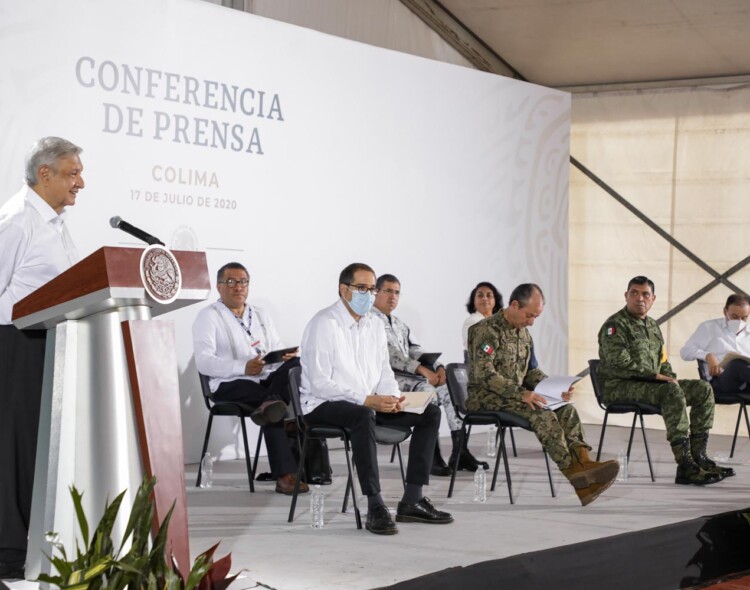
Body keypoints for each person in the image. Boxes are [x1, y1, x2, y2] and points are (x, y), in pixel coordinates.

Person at [299, 263, 453, 535]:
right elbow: (318, 383)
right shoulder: (323, 323)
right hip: (323, 405)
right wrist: (367, 400)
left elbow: (384, 371)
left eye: (372, 289)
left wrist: (392, 397)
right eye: (362, 288)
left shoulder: (374, 325)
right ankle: (375, 505)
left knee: (430, 412)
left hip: (368, 402)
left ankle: (412, 500)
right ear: (343, 290)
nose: (368, 295)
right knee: (362, 415)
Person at [0, 137, 85, 579]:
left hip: (48, 343)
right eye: (72, 173)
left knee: (37, 451)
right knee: (13, 451)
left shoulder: (54, 222)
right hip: (15, 346)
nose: (81, 183)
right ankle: (7, 553)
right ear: (44, 174)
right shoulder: (17, 221)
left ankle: (36, 546)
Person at [467, 283, 619, 506]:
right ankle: (576, 476)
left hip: (513, 395)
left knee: (566, 410)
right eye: (529, 315)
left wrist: (554, 388)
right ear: (515, 305)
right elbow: (484, 374)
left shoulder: (524, 335)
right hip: (485, 397)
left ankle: (585, 465)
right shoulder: (486, 330)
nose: (531, 322)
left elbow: (531, 371)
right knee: (542, 414)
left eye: (536, 317)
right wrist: (521, 394)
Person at [597, 276, 733, 486]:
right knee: (671, 392)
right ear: (626, 296)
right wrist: (658, 377)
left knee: (703, 389)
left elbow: (663, 361)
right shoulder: (615, 325)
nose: (639, 298)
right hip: (619, 386)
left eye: (645, 294)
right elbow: (619, 363)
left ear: (653, 299)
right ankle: (685, 465)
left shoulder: (652, 326)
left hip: (651, 385)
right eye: (634, 293)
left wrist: (671, 378)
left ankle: (699, 458)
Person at [192, 262, 309, 496]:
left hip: (265, 379)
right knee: (275, 405)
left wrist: (280, 356)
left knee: (297, 366)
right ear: (219, 287)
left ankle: (272, 404)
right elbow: (204, 362)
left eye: (243, 282)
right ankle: (285, 475)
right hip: (228, 385)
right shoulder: (208, 317)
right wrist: (243, 367)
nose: (238, 287)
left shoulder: (260, 314)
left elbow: (273, 347)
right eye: (231, 282)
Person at [372, 273, 488, 476]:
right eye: (388, 291)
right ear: (376, 293)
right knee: (428, 391)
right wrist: (423, 370)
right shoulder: (370, 322)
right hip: (387, 381)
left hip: (410, 377)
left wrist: (438, 366)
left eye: (397, 292)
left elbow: (416, 349)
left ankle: (460, 451)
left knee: (447, 388)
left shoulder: (399, 324)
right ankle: (431, 457)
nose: (393, 297)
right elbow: (392, 356)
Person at [680, 293, 750, 395]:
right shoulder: (709, 327)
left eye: (744, 318)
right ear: (725, 311)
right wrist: (707, 355)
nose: (739, 321)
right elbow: (685, 352)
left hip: (746, 384)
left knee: (742, 365)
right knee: (737, 364)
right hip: (720, 382)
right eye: (734, 316)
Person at [462, 281, 503, 351]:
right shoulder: (472, 321)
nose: (484, 298)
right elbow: (480, 344)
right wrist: (495, 354)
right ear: (473, 302)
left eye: (488, 295)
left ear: (495, 301)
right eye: (480, 295)